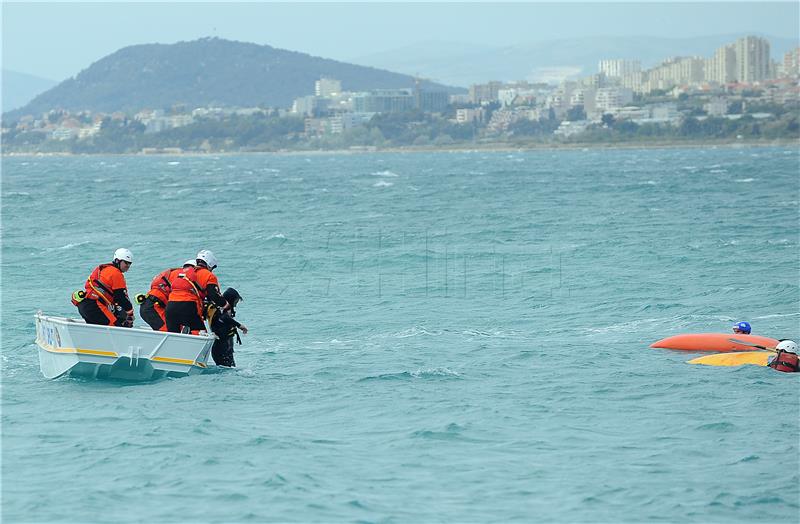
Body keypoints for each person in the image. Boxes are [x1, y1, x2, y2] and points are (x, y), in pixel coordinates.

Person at [165, 249, 228, 334]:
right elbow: (213, 295)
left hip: (170, 307)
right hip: (189, 306)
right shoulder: (209, 275)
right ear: (210, 264)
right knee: (200, 334)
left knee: (173, 336)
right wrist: (225, 304)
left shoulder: (182, 272)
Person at [72, 248, 135, 327]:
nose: (128, 266)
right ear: (117, 261)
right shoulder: (116, 274)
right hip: (95, 306)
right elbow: (121, 297)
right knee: (115, 327)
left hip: (85, 305)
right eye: (126, 262)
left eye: (130, 263)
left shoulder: (105, 269)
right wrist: (130, 313)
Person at [139, 260, 195, 331]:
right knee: (169, 331)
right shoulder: (183, 277)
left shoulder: (174, 274)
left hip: (151, 305)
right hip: (153, 307)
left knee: (174, 329)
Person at [207, 287, 248, 367]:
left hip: (225, 346)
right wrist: (239, 326)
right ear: (231, 299)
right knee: (228, 368)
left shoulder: (223, 309)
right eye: (235, 301)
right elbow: (224, 318)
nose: (236, 304)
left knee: (230, 368)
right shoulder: (223, 310)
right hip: (221, 348)